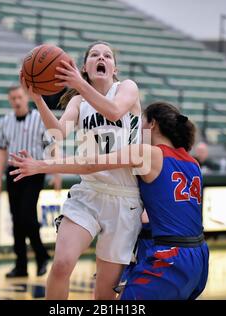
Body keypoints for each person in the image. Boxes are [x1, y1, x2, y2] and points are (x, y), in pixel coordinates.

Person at [10, 101, 209, 300]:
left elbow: (91, 164)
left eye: (140, 123)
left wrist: (40, 165)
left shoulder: (147, 154)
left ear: (152, 125)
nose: (138, 129)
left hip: (172, 256)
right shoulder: (193, 163)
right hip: (199, 256)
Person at [20, 41, 143, 300]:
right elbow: (58, 133)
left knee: (104, 294)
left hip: (124, 197)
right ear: (85, 66)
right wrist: (38, 99)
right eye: (95, 55)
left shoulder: (127, 88)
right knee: (62, 264)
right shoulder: (77, 101)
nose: (102, 58)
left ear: (114, 67)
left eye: (108, 55)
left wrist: (79, 84)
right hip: (88, 191)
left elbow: (114, 110)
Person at [0, 85, 59, 278]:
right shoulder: (5, 121)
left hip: (33, 170)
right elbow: (1, 150)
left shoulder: (38, 118)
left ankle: (41, 256)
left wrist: (56, 173)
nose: (16, 101)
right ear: (9, 100)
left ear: (25, 97)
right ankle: (21, 264)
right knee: (16, 218)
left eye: (19, 97)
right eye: (12, 98)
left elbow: (51, 146)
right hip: (13, 171)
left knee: (26, 215)